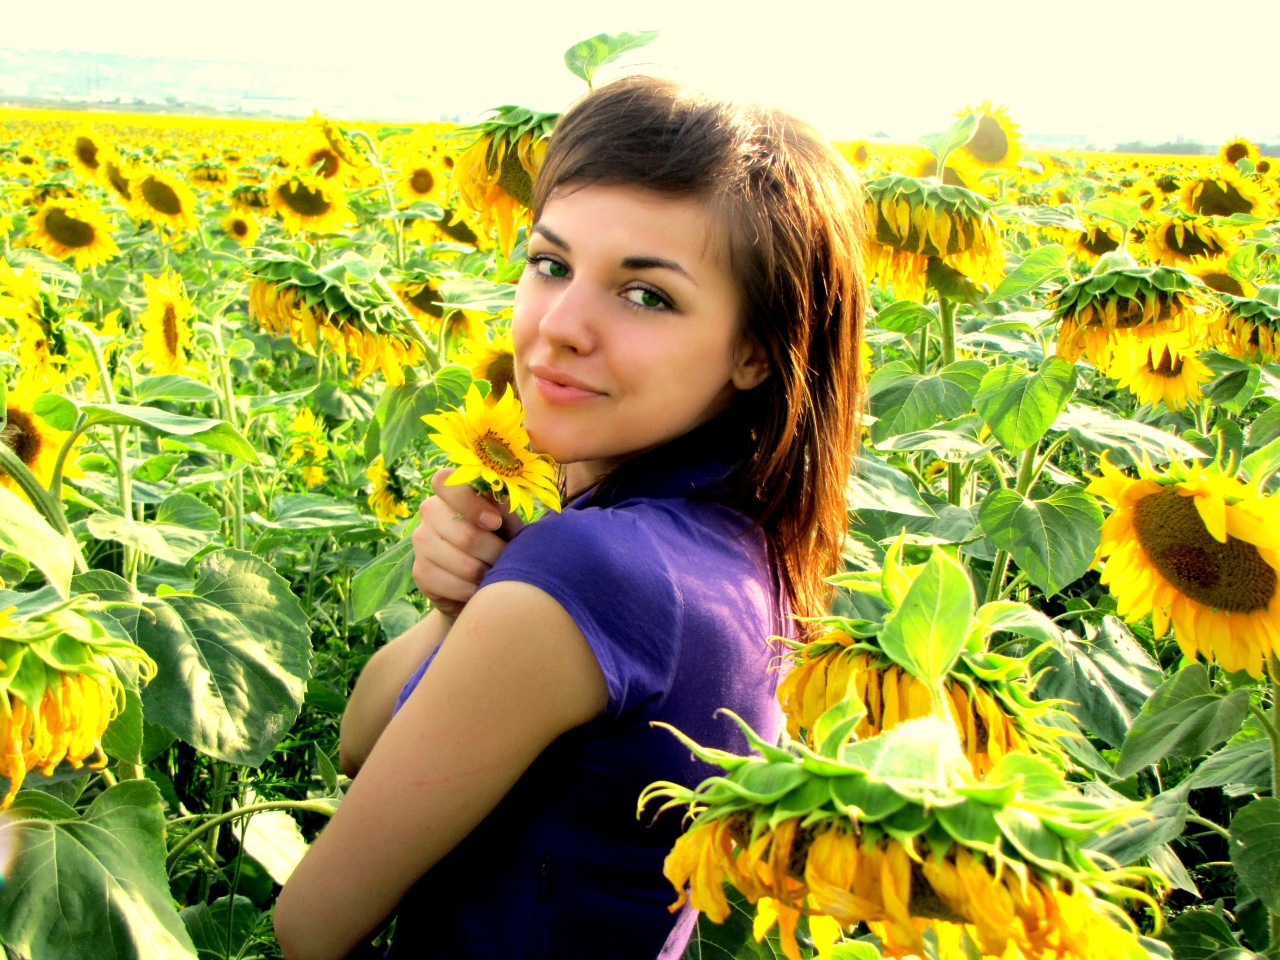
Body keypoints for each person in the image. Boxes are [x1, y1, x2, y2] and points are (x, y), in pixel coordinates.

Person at [274, 75, 867, 960]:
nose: (560, 326)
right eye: (550, 264)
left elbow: (309, 923)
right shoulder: (749, 542)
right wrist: (459, 613)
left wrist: (509, 599)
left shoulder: (591, 571)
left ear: (754, 351)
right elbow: (366, 743)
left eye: (646, 295)